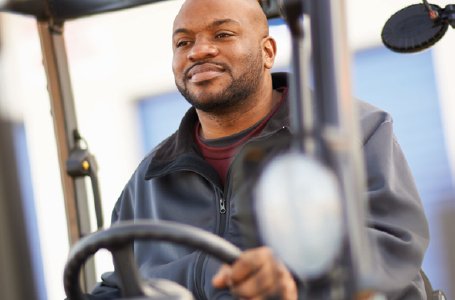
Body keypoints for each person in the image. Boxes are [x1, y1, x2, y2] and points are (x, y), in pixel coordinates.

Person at [90, 0, 429, 299]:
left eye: (222, 35)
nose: (198, 51)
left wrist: (292, 281)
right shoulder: (149, 179)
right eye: (183, 42)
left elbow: (393, 247)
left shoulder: (353, 129)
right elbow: (123, 284)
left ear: (268, 51)